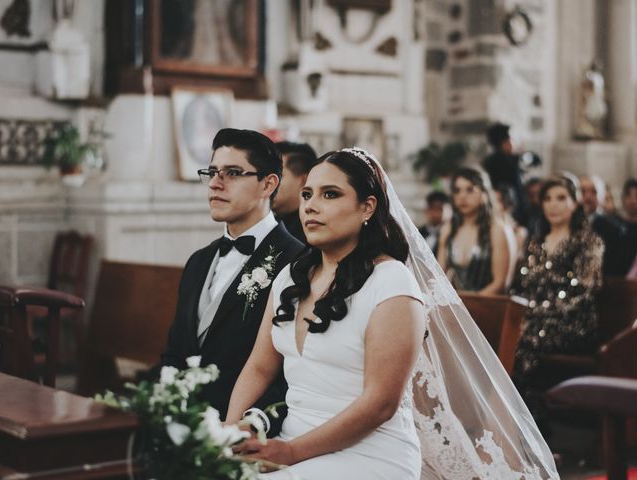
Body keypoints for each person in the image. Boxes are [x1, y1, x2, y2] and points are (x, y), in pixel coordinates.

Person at [225, 148, 558, 480]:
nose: (311, 205)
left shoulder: (392, 282)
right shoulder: (290, 277)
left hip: (368, 455)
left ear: (367, 207)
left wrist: (291, 453)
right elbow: (259, 366)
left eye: (331, 194)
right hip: (294, 441)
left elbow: (380, 404)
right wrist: (228, 432)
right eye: (307, 194)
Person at [161, 128, 304, 435]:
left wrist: (248, 425)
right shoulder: (198, 261)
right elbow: (175, 351)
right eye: (211, 172)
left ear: (268, 184)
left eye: (232, 173)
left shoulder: (297, 262)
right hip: (184, 424)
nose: (215, 183)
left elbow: (296, 370)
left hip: (248, 430)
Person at [510, 175, 604, 432]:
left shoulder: (588, 242)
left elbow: (583, 292)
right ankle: (513, 431)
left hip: (574, 323)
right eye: (548, 199)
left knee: (522, 346)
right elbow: (521, 286)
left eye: (562, 198)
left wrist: (537, 313)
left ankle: (535, 435)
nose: (553, 205)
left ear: (575, 203)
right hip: (534, 322)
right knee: (505, 342)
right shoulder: (535, 243)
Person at [437, 167, 511, 294]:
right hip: (454, 306)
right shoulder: (448, 229)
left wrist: (470, 304)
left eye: (470, 190)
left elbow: (500, 283)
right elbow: (439, 276)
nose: (462, 196)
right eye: (457, 190)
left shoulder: (497, 230)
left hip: (487, 306)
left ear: (484, 193)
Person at [272, 141, 318, 244]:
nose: (268, 183)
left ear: (304, 180)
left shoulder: (313, 230)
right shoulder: (266, 222)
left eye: (278, 175)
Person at [580, 174, 626, 275]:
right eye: (583, 191)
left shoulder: (615, 228)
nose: (587, 197)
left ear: (602, 195)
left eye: (594, 191)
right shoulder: (568, 224)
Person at [418, 190, 450, 257]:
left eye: (439, 209)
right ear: (426, 209)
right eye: (432, 209)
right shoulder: (418, 233)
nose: (436, 214)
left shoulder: (449, 235)